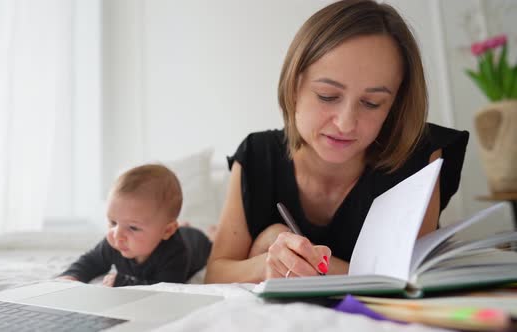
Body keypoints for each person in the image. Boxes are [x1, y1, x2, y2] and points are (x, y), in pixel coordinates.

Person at [205, 0, 469, 283]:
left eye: (372, 103)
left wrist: (304, 263)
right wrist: (267, 262)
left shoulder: (418, 157)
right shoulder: (257, 156)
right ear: (294, 87)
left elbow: (410, 280)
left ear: (395, 105)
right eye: (327, 96)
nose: (345, 123)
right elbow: (216, 274)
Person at [59, 164, 211, 286]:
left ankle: (211, 233)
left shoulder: (176, 252)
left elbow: (167, 288)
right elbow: (90, 262)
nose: (117, 234)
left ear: (167, 231)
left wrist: (124, 283)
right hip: (176, 231)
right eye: (113, 222)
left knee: (210, 244)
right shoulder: (115, 241)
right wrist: (71, 276)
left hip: (197, 242)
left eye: (133, 227)